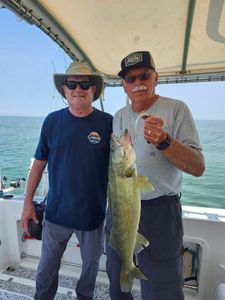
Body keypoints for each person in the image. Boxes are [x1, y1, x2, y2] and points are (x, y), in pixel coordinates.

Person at [105, 51, 205, 300]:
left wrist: (165, 141)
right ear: (123, 86)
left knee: (163, 288)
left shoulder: (176, 110)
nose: (137, 82)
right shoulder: (118, 116)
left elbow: (198, 167)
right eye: (130, 79)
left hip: (161, 212)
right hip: (119, 206)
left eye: (144, 75)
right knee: (117, 278)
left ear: (155, 78)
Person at [21, 60, 113, 300]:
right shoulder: (51, 121)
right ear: (64, 90)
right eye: (71, 84)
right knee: (45, 272)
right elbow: (39, 162)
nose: (78, 89)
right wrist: (28, 202)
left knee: (89, 273)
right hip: (55, 214)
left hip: (92, 216)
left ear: (94, 90)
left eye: (85, 84)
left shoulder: (108, 123)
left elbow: (123, 167)